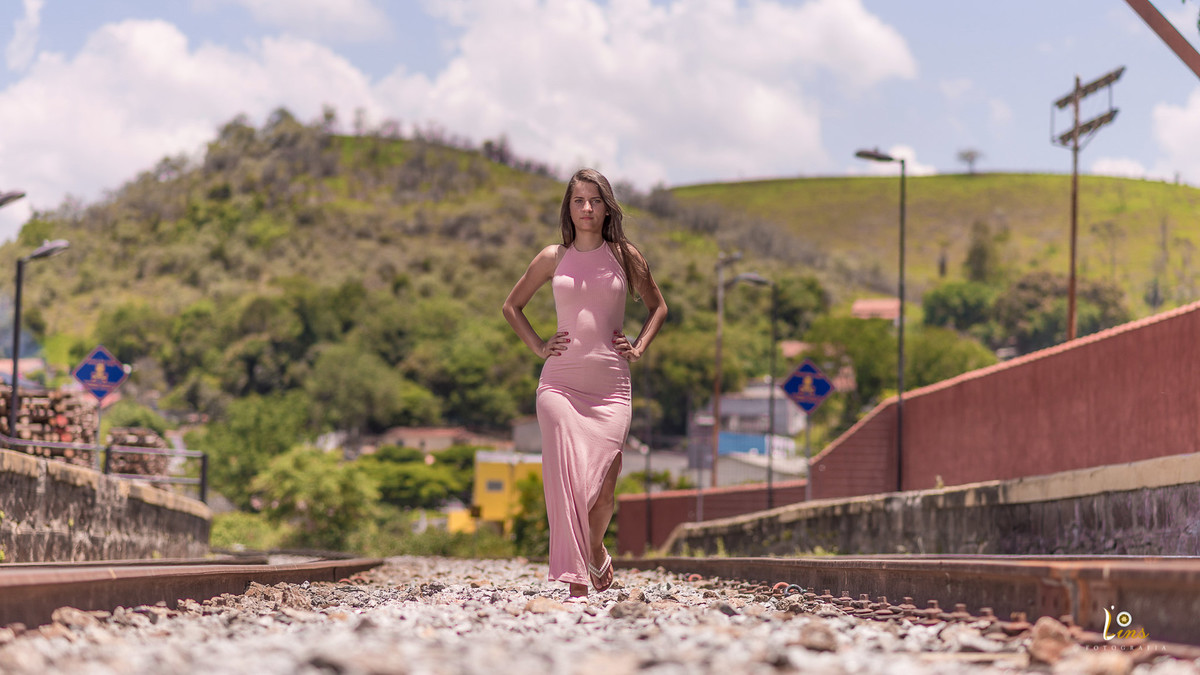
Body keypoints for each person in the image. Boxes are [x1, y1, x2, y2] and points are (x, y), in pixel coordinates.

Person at [502, 168, 667, 599]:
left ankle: (593, 549)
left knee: (605, 491)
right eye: (579, 201)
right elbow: (512, 306)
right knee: (568, 479)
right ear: (569, 208)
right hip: (559, 384)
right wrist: (539, 345)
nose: (587, 208)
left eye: (595, 200)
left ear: (606, 206)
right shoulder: (551, 257)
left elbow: (658, 307)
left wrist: (640, 346)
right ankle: (575, 579)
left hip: (612, 387)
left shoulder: (625, 255)